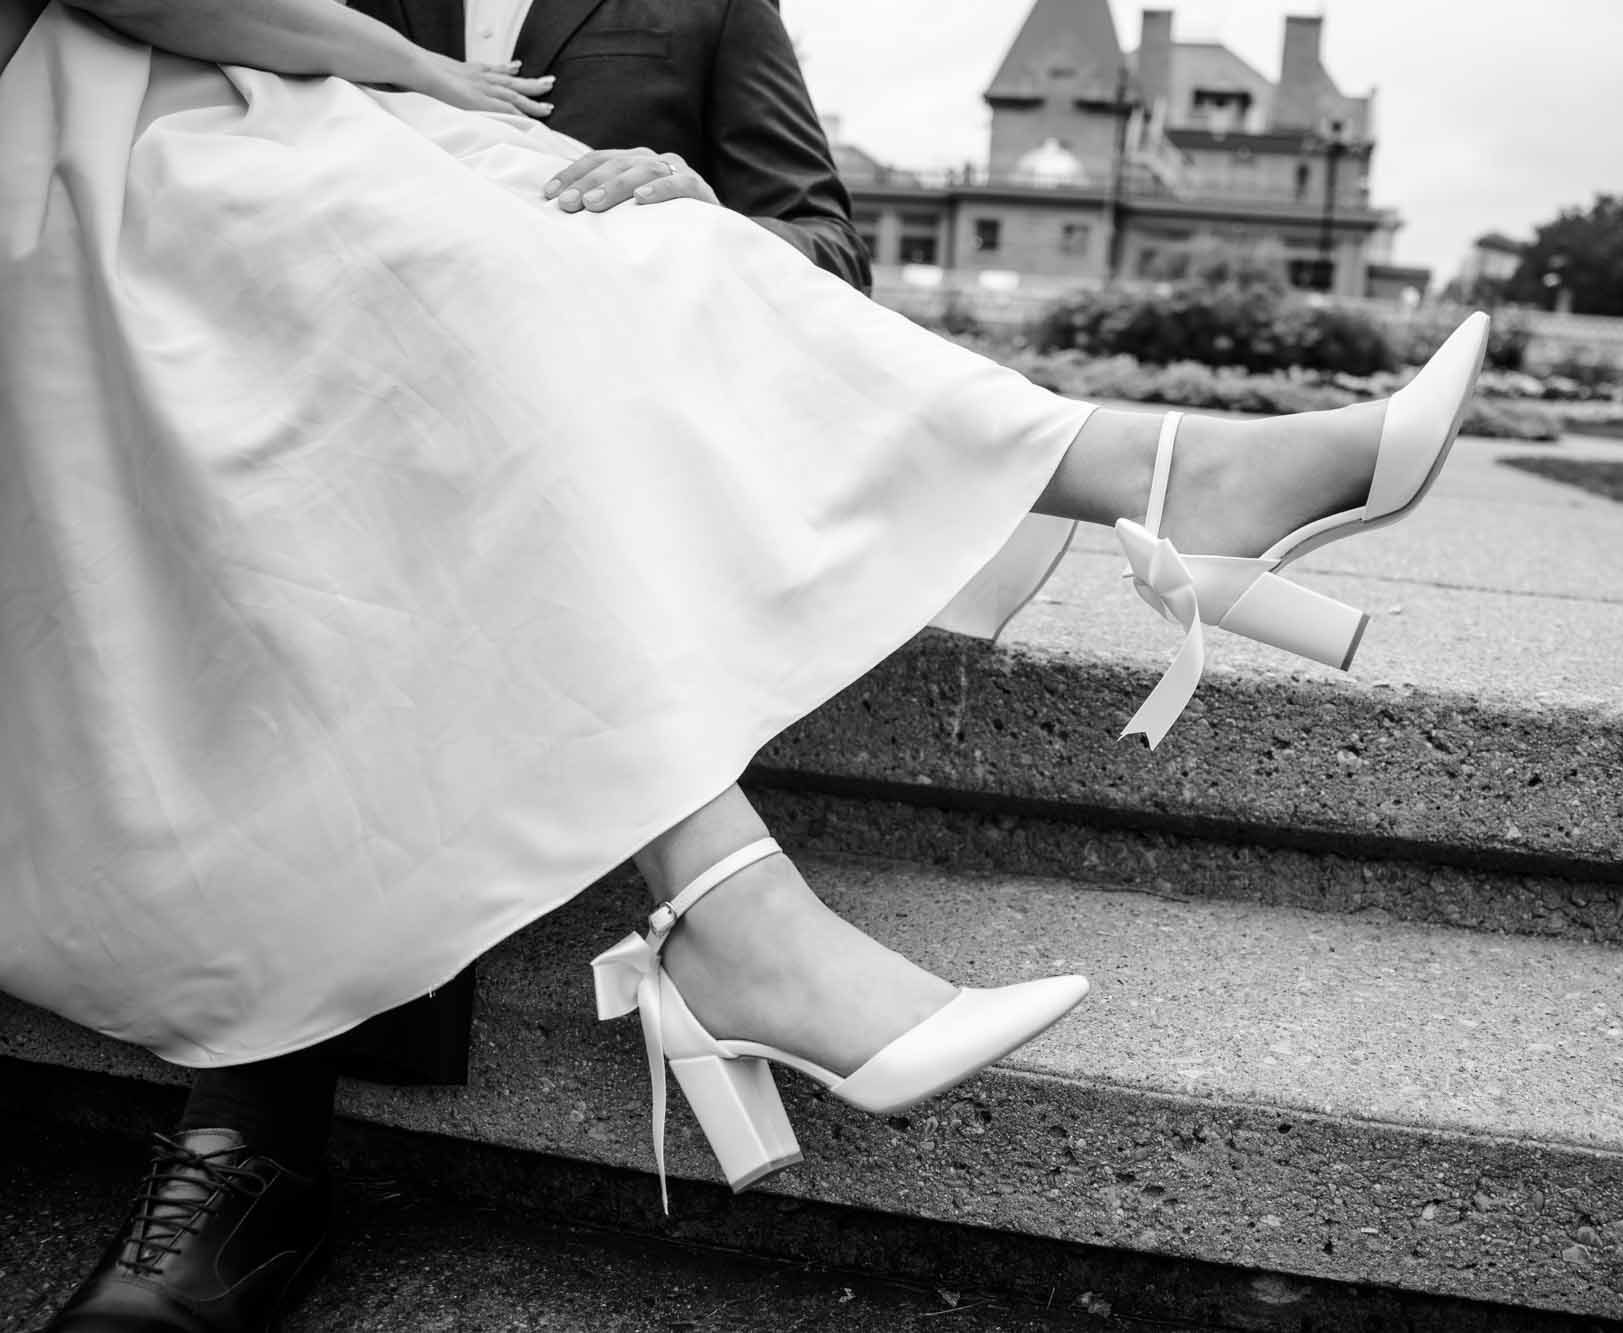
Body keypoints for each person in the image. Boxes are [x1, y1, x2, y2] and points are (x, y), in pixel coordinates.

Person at [0, 1, 1489, 1329]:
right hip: (282, 378)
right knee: (409, 315)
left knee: (544, 280)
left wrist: (699, 203)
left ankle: (729, 917)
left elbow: (817, 239)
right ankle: (1158, 483)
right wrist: (395, 68)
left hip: (604, 422)